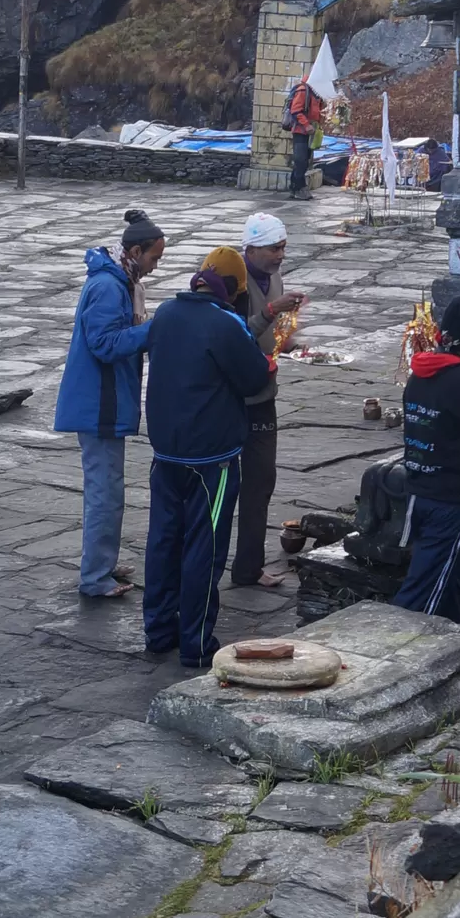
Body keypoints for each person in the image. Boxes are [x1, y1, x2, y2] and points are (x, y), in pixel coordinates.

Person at [141, 247, 271, 670]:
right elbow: (252, 378)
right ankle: (196, 642)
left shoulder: (165, 313)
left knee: (164, 539)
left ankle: (159, 630)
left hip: (166, 452)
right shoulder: (225, 323)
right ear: (233, 289)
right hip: (211, 458)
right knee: (206, 545)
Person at [52, 208, 167, 601]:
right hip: (98, 403)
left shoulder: (121, 281)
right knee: (105, 492)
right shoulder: (108, 287)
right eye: (153, 258)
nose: (154, 267)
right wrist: (153, 331)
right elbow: (103, 344)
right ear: (135, 251)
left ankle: (102, 563)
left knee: (109, 490)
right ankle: (95, 577)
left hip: (105, 400)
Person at [394, 294, 460, 621]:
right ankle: (386, 650)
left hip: (418, 490)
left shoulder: (418, 376)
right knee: (421, 594)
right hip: (450, 500)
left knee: (452, 573)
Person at [231, 210, 305, 592]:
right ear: (252, 249)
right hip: (230, 398)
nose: (280, 255)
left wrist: (292, 343)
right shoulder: (234, 282)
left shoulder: (274, 276)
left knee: (261, 481)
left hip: (263, 392)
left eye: (283, 247)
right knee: (224, 486)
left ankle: (249, 566)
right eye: (273, 248)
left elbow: (271, 330)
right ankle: (208, 561)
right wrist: (271, 311)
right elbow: (233, 337)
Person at [283, 75, 322, 198]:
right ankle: (300, 188)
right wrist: (306, 125)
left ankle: (294, 188)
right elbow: (296, 110)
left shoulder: (315, 93)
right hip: (301, 131)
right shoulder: (303, 90)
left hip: (310, 132)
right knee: (301, 161)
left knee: (304, 161)